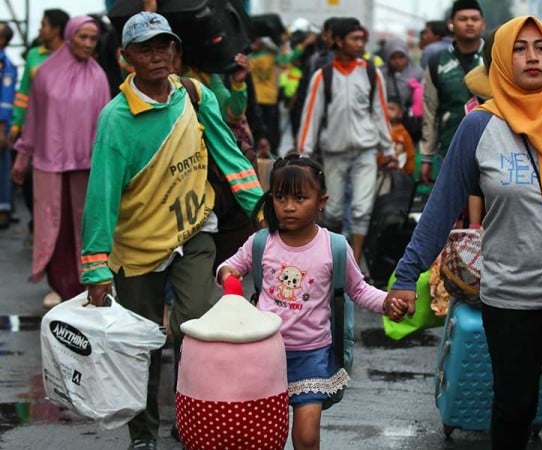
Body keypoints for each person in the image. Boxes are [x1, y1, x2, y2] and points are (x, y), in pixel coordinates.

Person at [389, 16, 542, 449]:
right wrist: (408, 276)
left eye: (540, 48)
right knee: (514, 405)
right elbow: (442, 205)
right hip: (511, 292)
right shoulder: (479, 128)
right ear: (502, 61)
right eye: (520, 49)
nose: (532, 57)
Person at [80, 12, 263, 450]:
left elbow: (230, 158)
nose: (158, 56)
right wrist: (94, 267)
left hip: (196, 231)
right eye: (146, 49)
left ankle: (190, 417)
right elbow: (101, 195)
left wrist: (263, 212)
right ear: (127, 58)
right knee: (141, 344)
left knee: (194, 330)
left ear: (177, 52)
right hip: (137, 246)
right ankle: (143, 434)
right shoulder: (116, 119)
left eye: (165, 46)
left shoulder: (196, 96)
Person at [216, 154, 404, 450]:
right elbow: (231, 265)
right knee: (263, 435)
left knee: (305, 436)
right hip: (265, 355)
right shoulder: (262, 242)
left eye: (300, 198)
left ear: (322, 201)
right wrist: (227, 275)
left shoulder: (335, 247)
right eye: (280, 198)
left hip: (312, 356)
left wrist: (388, 303)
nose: (288, 207)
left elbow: (360, 290)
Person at [10, 16, 109, 309]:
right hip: (48, 163)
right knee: (53, 224)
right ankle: (58, 284)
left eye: (92, 39)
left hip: (86, 165)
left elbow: (106, 124)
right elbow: (33, 119)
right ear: (69, 37)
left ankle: (84, 283)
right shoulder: (45, 75)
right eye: (83, 37)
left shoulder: (98, 76)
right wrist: (22, 156)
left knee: (84, 224)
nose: (88, 44)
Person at [297, 17, 396, 265]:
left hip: (366, 151)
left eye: (362, 38)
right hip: (334, 153)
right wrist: (303, 156)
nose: (360, 43)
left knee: (363, 210)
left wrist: (389, 150)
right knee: (333, 211)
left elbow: (380, 113)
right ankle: (332, 259)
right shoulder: (323, 76)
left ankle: (354, 263)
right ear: (339, 41)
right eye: (355, 38)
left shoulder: (372, 74)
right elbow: (311, 117)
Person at [8, 9, 69, 238]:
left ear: (56, 29)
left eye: (43, 24)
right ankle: (38, 223)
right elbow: (24, 93)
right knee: (31, 180)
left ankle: (59, 229)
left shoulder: (71, 55)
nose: (39, 29)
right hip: (37, 129)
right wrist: (16, 124)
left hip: (64, 131)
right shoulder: (34, 55)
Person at [420, 0, 485, 184]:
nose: (470, 23)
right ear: (451, 24)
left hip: (489, 149)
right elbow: (430, 109)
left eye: (474, 19)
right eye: (463, 19)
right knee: (450, 210)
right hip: (448, 148)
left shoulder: (494, 57)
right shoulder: (437, 62)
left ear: (483, 24)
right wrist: (426, 156)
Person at [380, 37, 424, 143]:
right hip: (386, 121)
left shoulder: (417, 73)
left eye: (401, 57)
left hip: (410, 121)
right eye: (393, 58)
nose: (398, 61)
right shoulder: (381, 73)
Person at [0, 21, 17, 229]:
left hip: (1, 124)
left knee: (3, 168)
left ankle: (3, 210)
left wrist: (2, 127)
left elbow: (6, 97)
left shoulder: (5, 65)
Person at [379, 97, 416, 175]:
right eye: (386, 109)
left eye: (392, 109)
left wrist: (409, 171)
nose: (388, 111)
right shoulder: (381, 131)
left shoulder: (403, 133)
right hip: (381, 171)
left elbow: (410, 153)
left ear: (400, 113)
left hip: (399, 173)